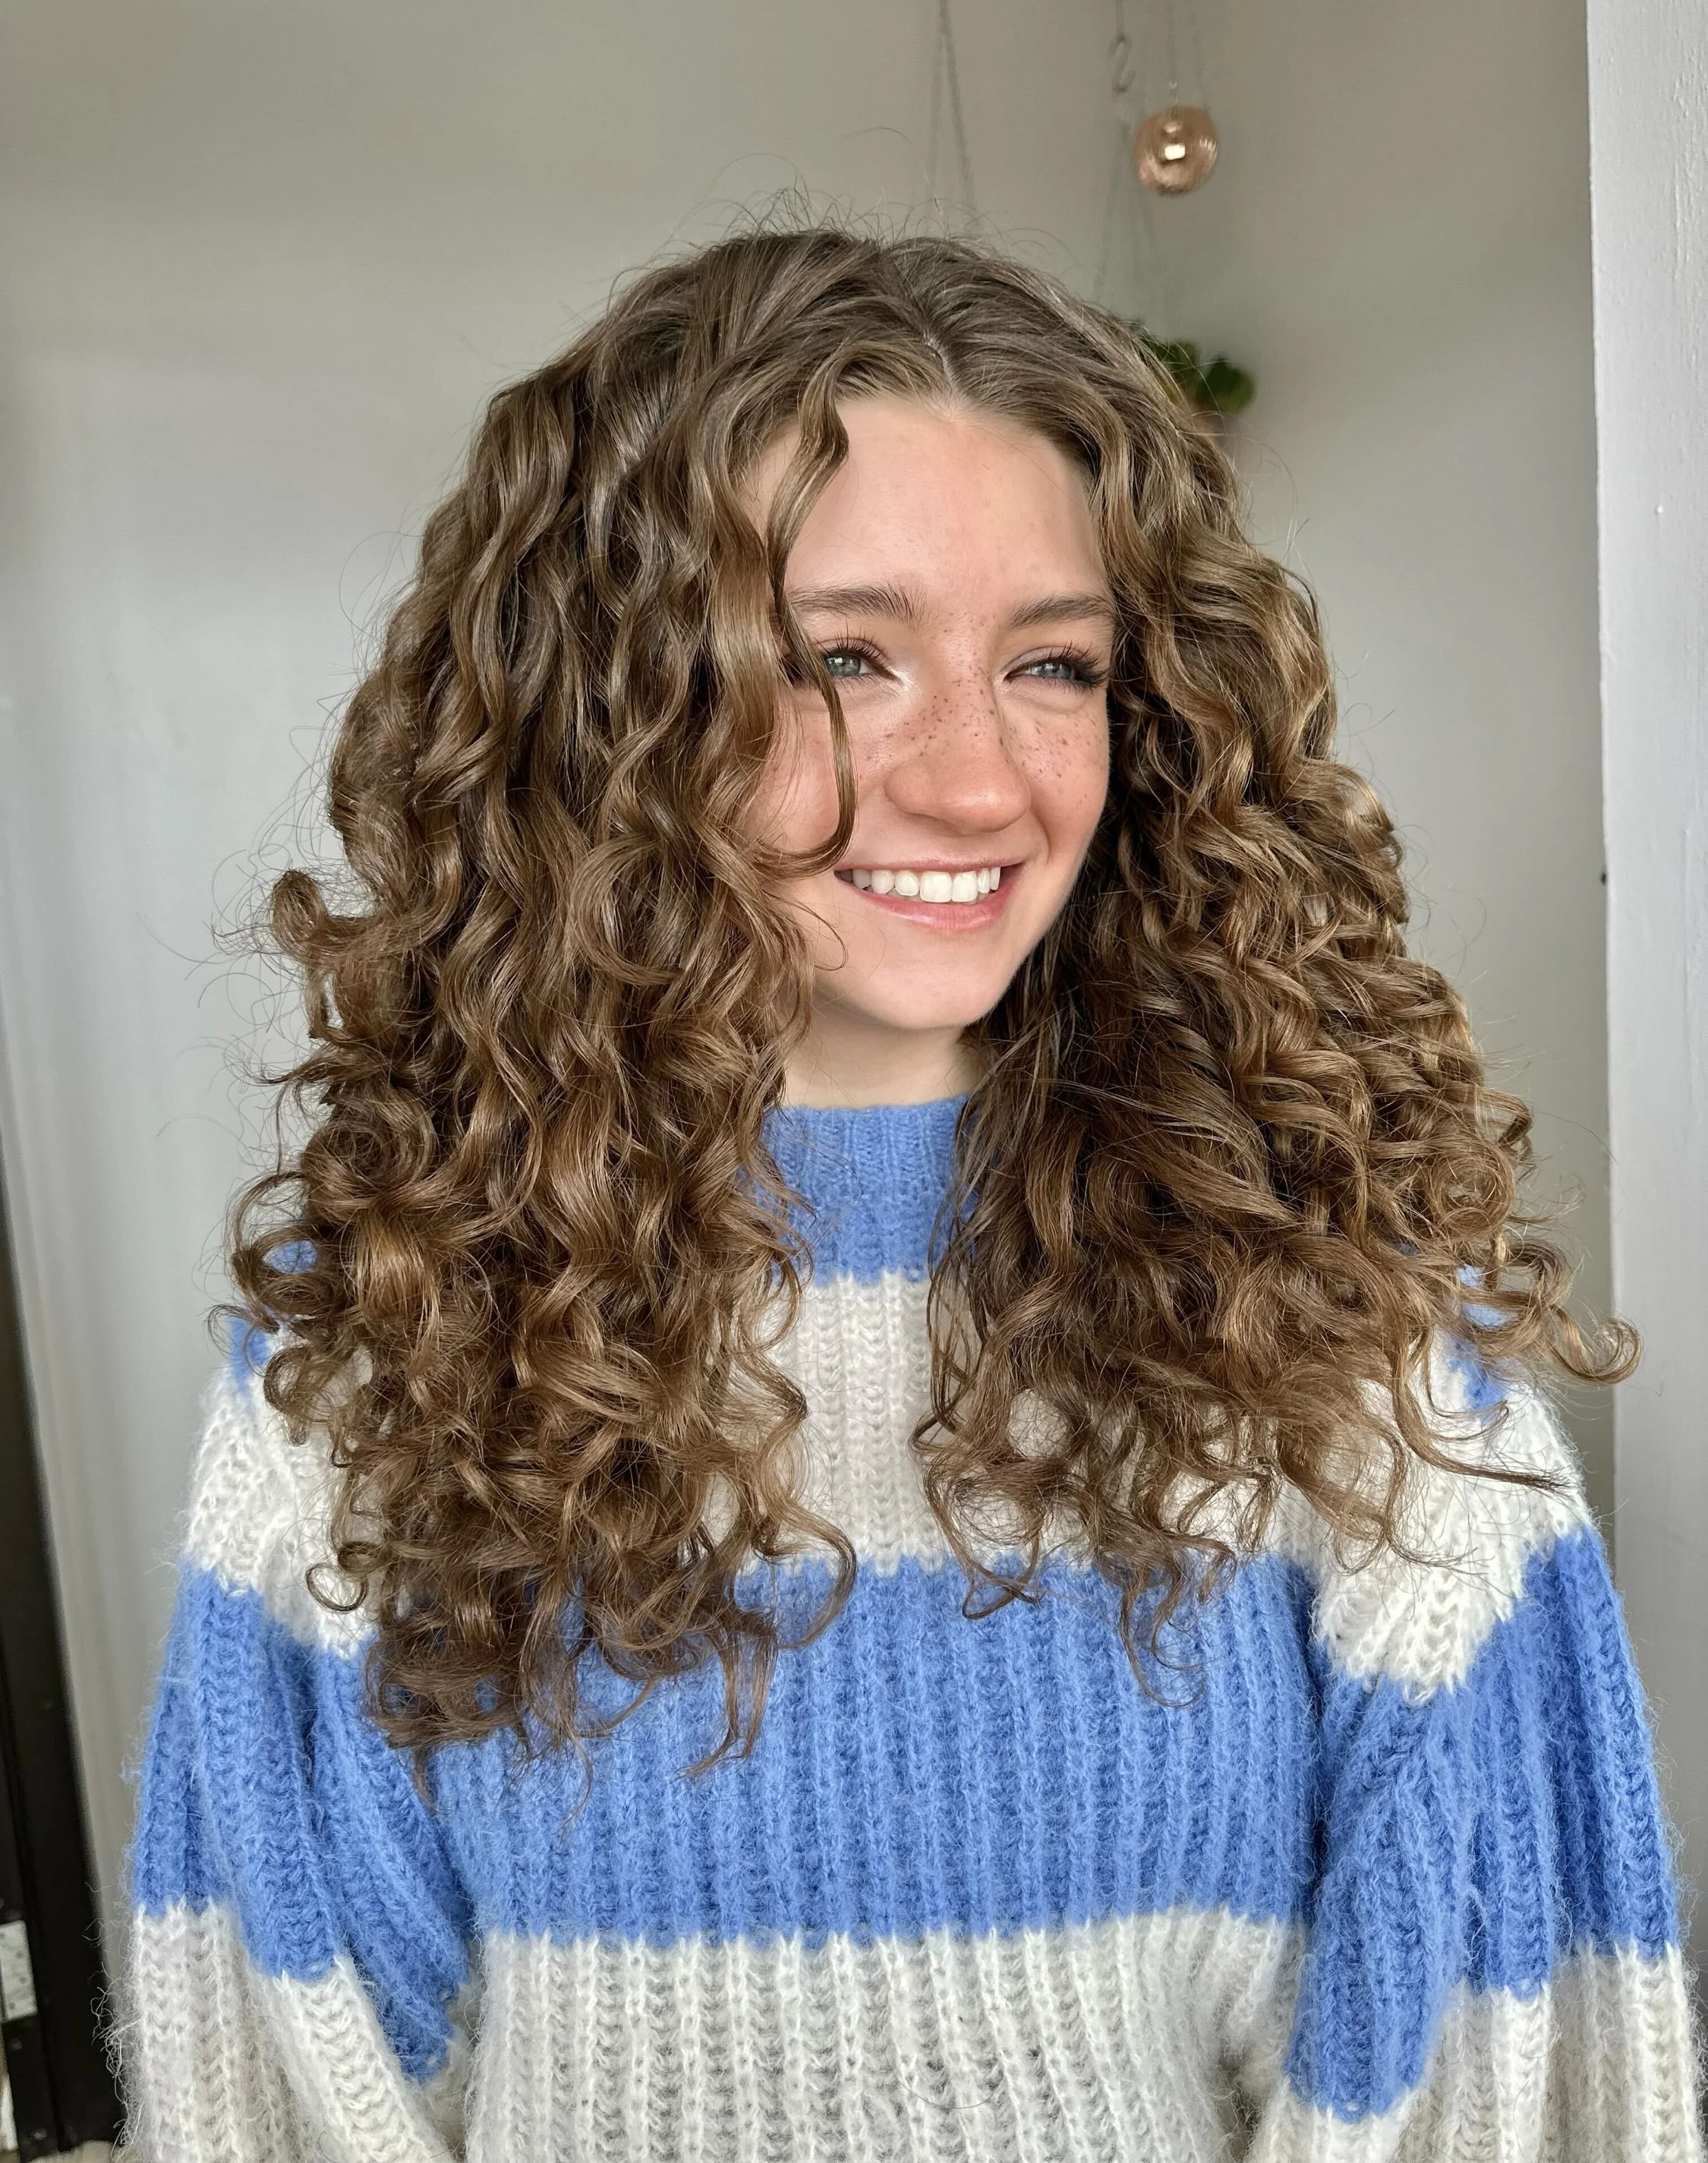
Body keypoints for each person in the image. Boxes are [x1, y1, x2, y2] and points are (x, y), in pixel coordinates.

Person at [120, 223, 1701, 2161]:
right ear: (606, 714)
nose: (975, 783)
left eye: (1054, 664)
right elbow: (283, 2079)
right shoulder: (377, 1350)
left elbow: (1517, 2065)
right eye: (839, 660)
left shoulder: (1349, 1342)